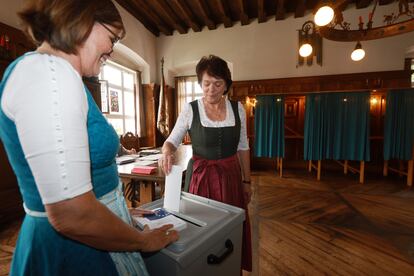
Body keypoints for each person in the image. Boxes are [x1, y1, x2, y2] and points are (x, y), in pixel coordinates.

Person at [0, 0, 178, 275]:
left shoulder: (58, 74)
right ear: (83, 20)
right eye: (113, 38)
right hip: (71, 251)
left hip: (90, 233)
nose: (112, 49)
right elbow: (71, 213)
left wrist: (118, 215)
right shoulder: (50, 75)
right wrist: (143, 241)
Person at [160, 55, 252, 272]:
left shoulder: (237, 109)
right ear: (200, 83)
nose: (211, 89)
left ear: (226, 85)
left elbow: (243, 146)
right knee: (201, 231)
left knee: (230, 228)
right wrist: (166, 151)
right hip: (201, 179)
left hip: (230, 176)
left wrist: (247, 181)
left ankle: (229, 269)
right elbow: (171, 140)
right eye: (206, 83)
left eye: (218, 83)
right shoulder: (190, 109)